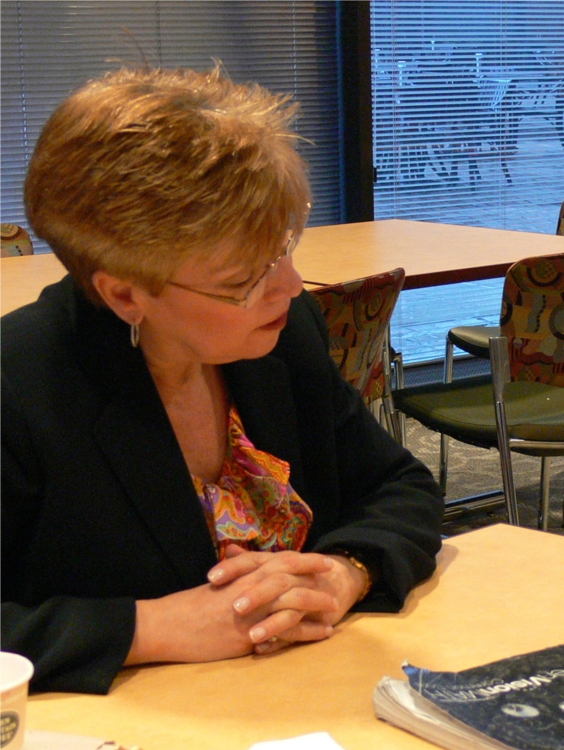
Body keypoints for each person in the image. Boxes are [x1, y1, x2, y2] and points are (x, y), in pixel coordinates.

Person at [1, 66, 444, 695]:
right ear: (125, 293)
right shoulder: (19, 388)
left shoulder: (281, 334)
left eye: (284, 247)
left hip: (308, 700)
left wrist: (345, 571)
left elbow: (399, 485)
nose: (291, 286)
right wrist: (146, 628)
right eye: (244, 279)